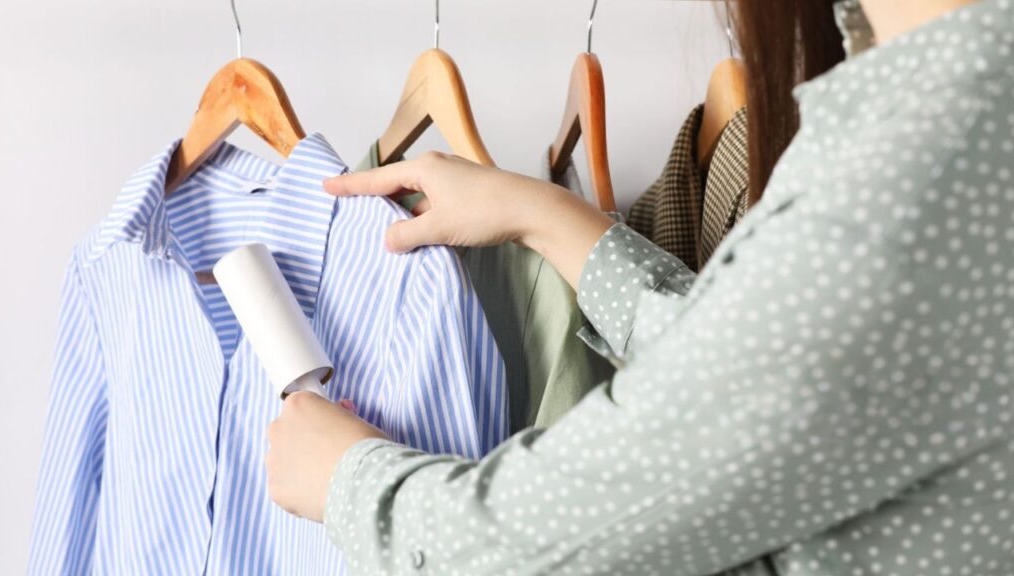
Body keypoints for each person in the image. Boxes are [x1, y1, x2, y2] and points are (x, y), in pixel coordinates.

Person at [265, 0, 1014, 573]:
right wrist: (550, 219)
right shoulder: (938, 129)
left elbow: (560, 540)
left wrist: (348, 482)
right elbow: (760, 386)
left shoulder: (907, 181)